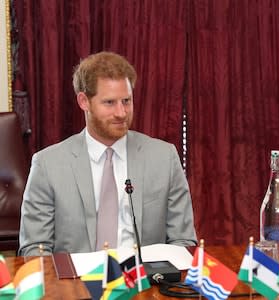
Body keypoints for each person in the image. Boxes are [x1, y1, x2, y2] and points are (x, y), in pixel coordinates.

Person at [19, 51, 197, 256]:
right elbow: (34, 248)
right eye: (110, 102)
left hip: (145, 283)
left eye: (127, 101)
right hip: (76, 284)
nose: (121, 113)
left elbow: (183, 241)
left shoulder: (164, 158)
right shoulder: (48, 165)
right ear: (84, 101)